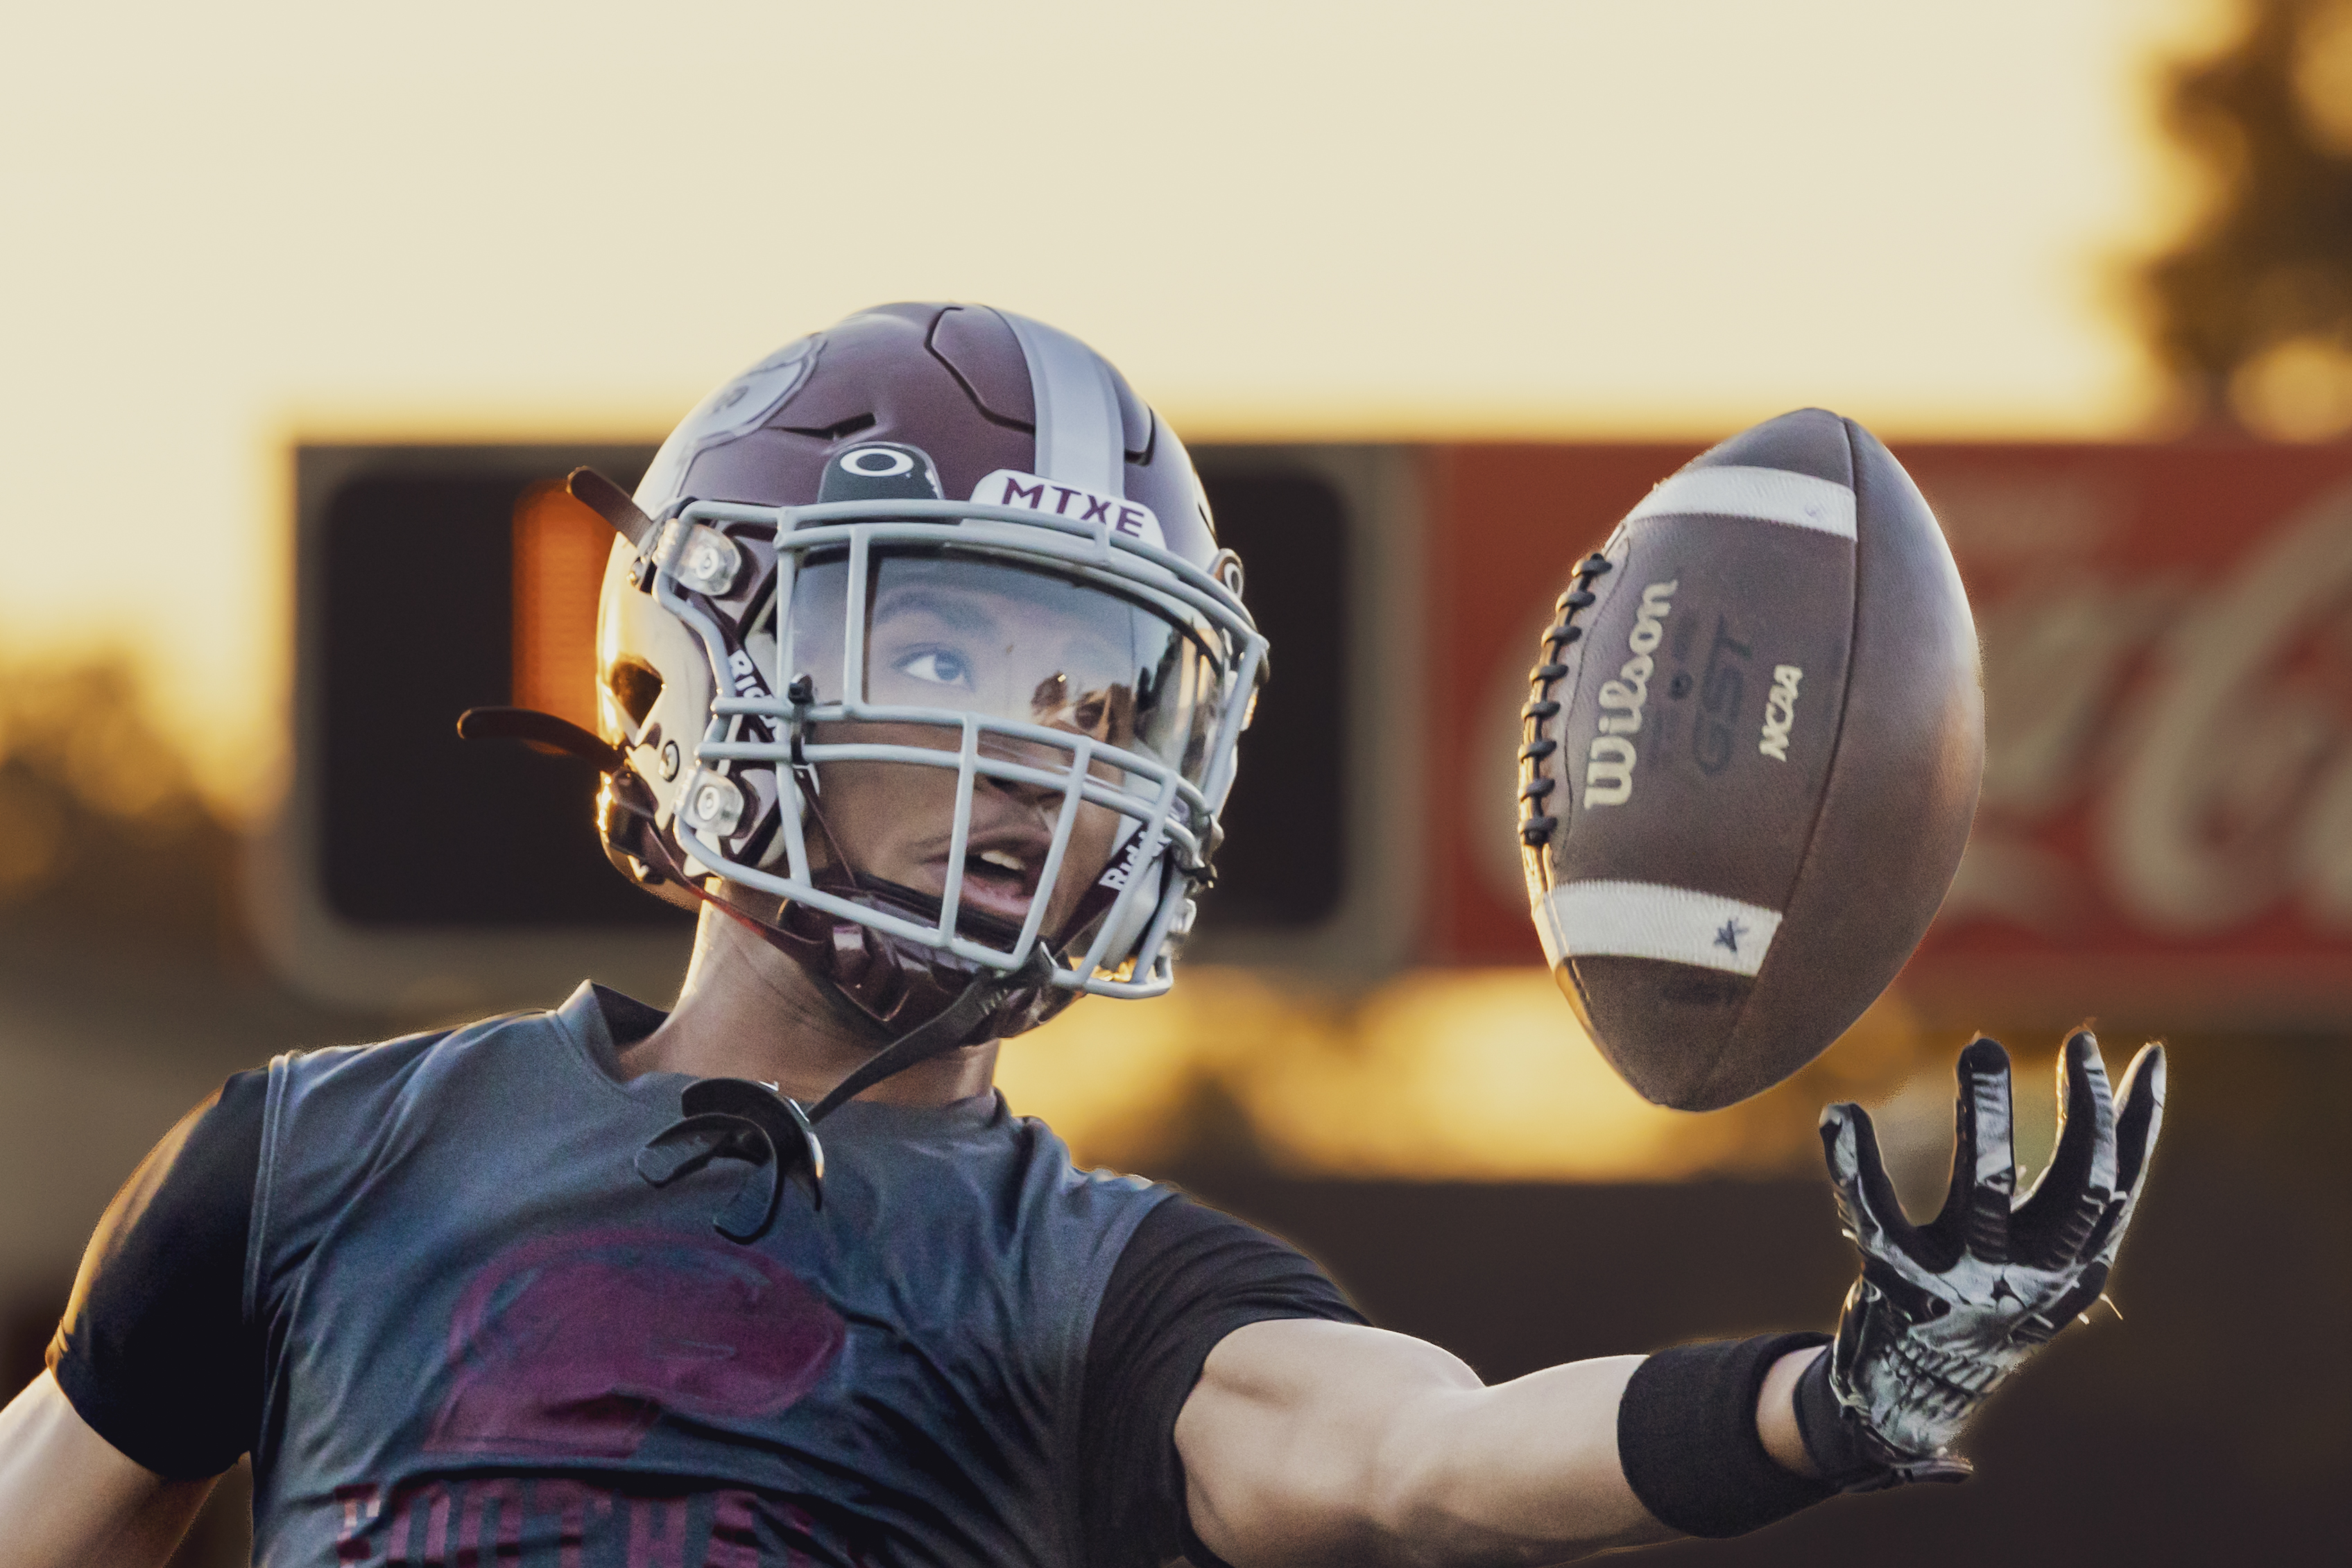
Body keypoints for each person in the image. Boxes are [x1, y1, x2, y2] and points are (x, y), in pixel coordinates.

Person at [0, 304, 2163, 1567]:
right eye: (960, 645)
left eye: (1101, 688)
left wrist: (1839, 1394)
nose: (1052, 752)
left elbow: (1429, 1453)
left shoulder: (1091, 1276)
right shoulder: (323, 1155)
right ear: (720, 655)